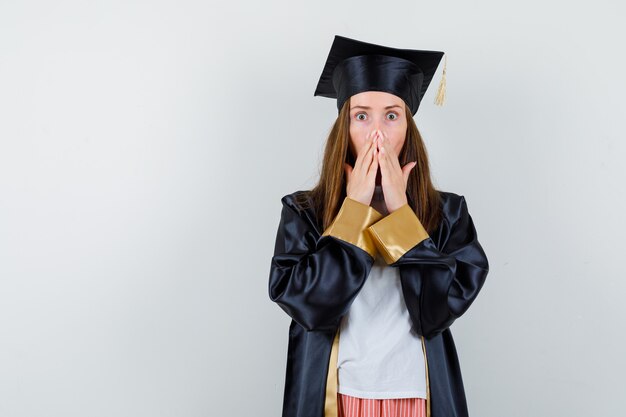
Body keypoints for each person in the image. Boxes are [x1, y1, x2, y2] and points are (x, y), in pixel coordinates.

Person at [268, 35, 489, 417]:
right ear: (344, 127)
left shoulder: (447, 213)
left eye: (391, 115)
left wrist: (401, 212)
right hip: (335, 394)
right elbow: (309, 308)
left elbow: (436, 315)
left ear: (408, 128)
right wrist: (354, 210)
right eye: (361, 115)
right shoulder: (304, 210)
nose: (377, 133)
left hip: (418, 395)